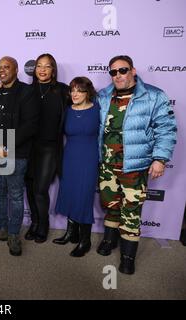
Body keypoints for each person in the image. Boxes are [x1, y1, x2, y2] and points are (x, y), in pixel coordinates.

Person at [97, 55, 177, 274]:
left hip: (134, 165)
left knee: (131, 210)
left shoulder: (153, 95)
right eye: (113, 72)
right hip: (106, 164)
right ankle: (109, 240)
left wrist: (160, 158)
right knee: (110, 204)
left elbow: (166, 129)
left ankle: (127, 256)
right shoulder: (103, 96)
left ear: (132, 70)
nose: (118, 75)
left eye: (122, 70)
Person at [0, 56, 37, 256]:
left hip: (16, 154)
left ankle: (13, 234)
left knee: (15, 194)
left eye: (7, 67)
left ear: (16, 70)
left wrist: (6, 147)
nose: (2, 70)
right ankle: (1, 229)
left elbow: (30, 125)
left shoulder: (27, 92)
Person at [25, 53, 70, 243]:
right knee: (28, 186)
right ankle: (34, 223)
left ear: (53, 70)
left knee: (40, 189)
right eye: (39, 66)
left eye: (47, 66)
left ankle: (43, 225)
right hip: (28, 147)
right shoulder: (26, 90)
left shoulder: (63, 91)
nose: (42, 70)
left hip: (50, 147)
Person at [53, 77, 100, 257]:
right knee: (70, 192)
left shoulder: (98, 109)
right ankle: (71, 233)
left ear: (88, 93)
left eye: (79, 90)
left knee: (84, 196)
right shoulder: (67, 110)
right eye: (72, 90)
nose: (75, 94)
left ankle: (85, 240)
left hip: (88, 158)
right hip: (69, 157)